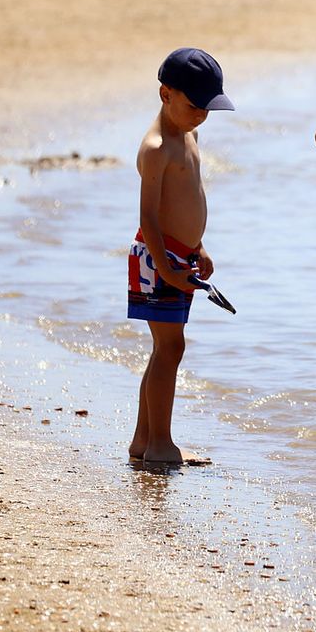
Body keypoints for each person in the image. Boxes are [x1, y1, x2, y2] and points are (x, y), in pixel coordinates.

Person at [129, 49, 235, 463]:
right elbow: (149, 217)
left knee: (165, 350)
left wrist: (198, 247)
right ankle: (159, 445)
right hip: (159, 257)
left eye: (208, 108)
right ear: (165, 94)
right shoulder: (157, 148)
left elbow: (189, 196)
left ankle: (144, 441)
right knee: (170, 349)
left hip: (180, 255)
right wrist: (169, 269)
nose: (201, 116)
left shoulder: (189, 134)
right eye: (194, 106)